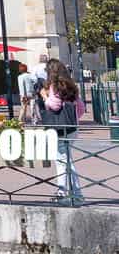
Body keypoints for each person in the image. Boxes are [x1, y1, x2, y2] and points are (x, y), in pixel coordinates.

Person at [40, 72, 83, 202]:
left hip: (60, 129)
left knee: (63, 161)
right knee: (64, 161)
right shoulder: (71, 86)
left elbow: (54, 105)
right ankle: (64, 192)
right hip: (72, 128)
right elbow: (81, 108)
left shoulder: (54, 86)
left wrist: (44, 96)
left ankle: (75, 194)